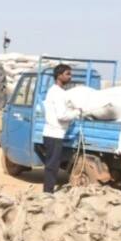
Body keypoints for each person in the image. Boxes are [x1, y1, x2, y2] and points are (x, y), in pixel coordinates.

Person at [42, 64, 80, 193]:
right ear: (59, 76)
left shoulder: (55, 91)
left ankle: (48, 191)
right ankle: (48, 193)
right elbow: (62, 115)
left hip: (53, 133)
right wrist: (77, 112)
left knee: (52, 164)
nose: (70, 76)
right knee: (52, 166)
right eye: (67, 74)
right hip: (54, 134)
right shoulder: (58, 93)